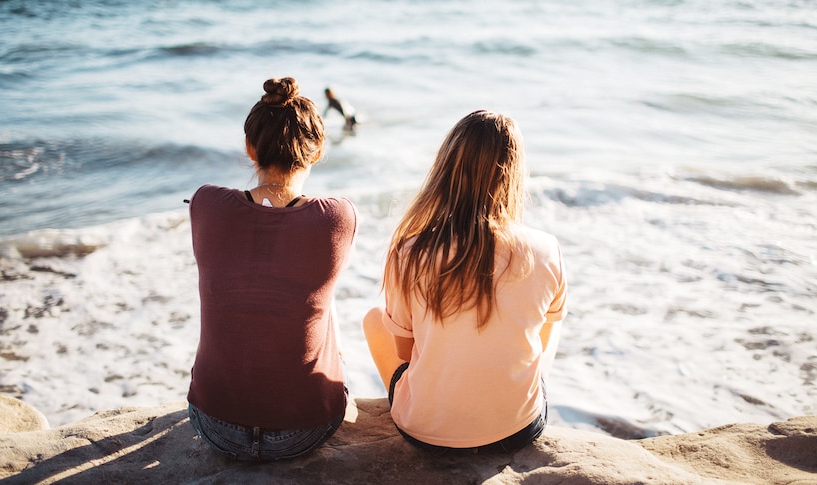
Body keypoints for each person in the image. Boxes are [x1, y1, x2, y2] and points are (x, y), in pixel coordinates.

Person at [363, 110, 567, 453]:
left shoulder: (409, 251)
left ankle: (430, 407)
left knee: (374, 319)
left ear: (445, 169)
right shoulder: (545, 249)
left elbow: (406, 352)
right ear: (514, 174)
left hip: (425, 433)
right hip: (517, 428)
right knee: (551, 324)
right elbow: (541, 338)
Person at [186, 77, 357, 461]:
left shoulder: (206, 203)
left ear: (250, 147)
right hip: (306, 429)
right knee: (321, 301)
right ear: (316, 153)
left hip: (216, 425)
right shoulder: (337, 217)